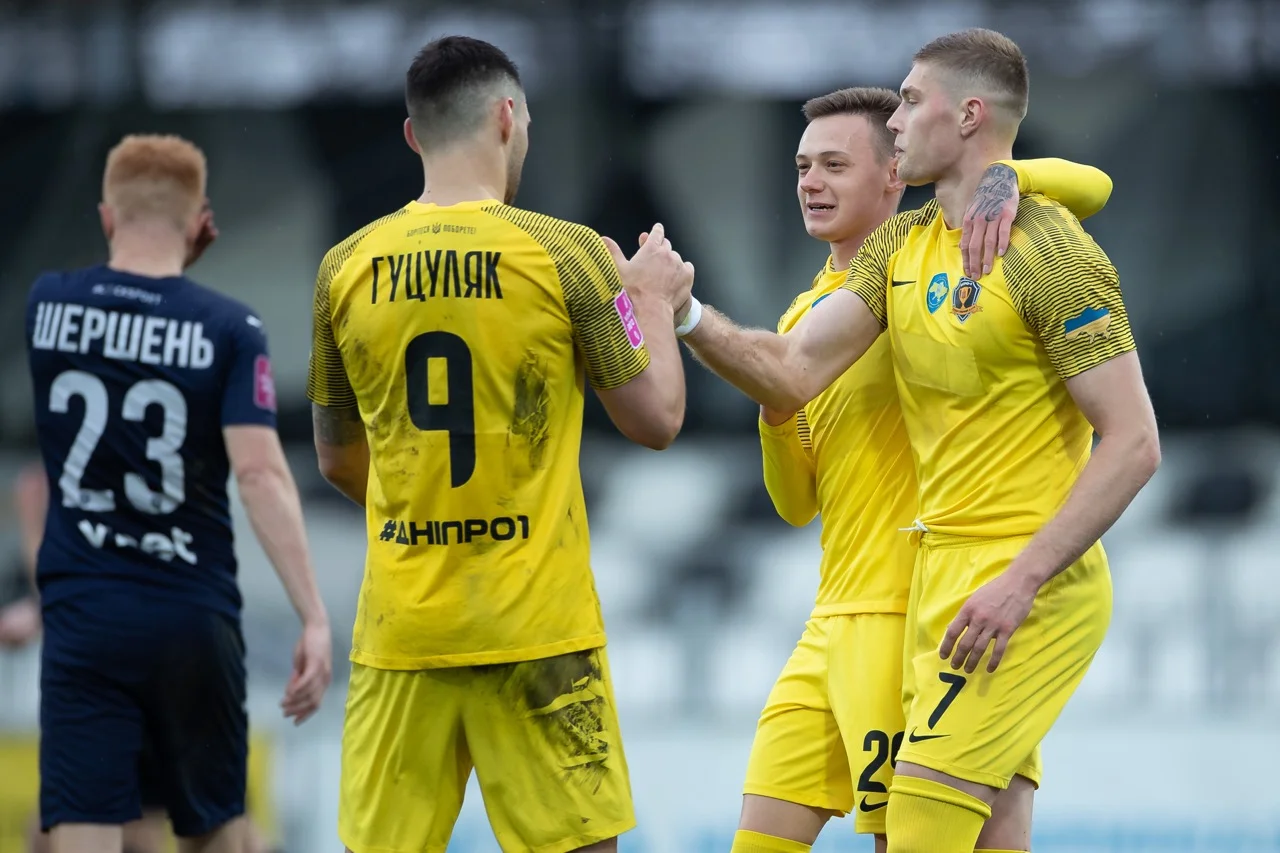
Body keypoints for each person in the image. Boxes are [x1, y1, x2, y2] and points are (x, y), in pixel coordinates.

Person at [672, 28, 1160, 853]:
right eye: (803, 165)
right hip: (932, 579)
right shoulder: (899, 248)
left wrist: (1022, 580)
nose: (896, 120)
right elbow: (791, 374)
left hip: (1019, 583)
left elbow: (1136, 441)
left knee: (924, 828)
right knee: (973, 832)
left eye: (907, 100)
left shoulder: (1048, 249)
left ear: (967, 115)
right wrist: (681, 312)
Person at [307, 36, 693, 853]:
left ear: (412, 134)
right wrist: (653, 300)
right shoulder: (568, 253)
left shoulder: (344, 267)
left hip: (405, 634)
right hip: (539, 633)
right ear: (508, 118)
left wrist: (425, 511)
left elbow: (337, 457)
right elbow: (656, 419)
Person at [24, 134, 333, 853]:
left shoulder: (47, 306)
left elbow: (122, 334)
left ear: (107, 216)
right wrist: (312, 614)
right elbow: (258, 474)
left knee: (84, 830)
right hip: (190, 615)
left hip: (86, 618)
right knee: (217, 828)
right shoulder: (229, 328)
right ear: (198, 223)